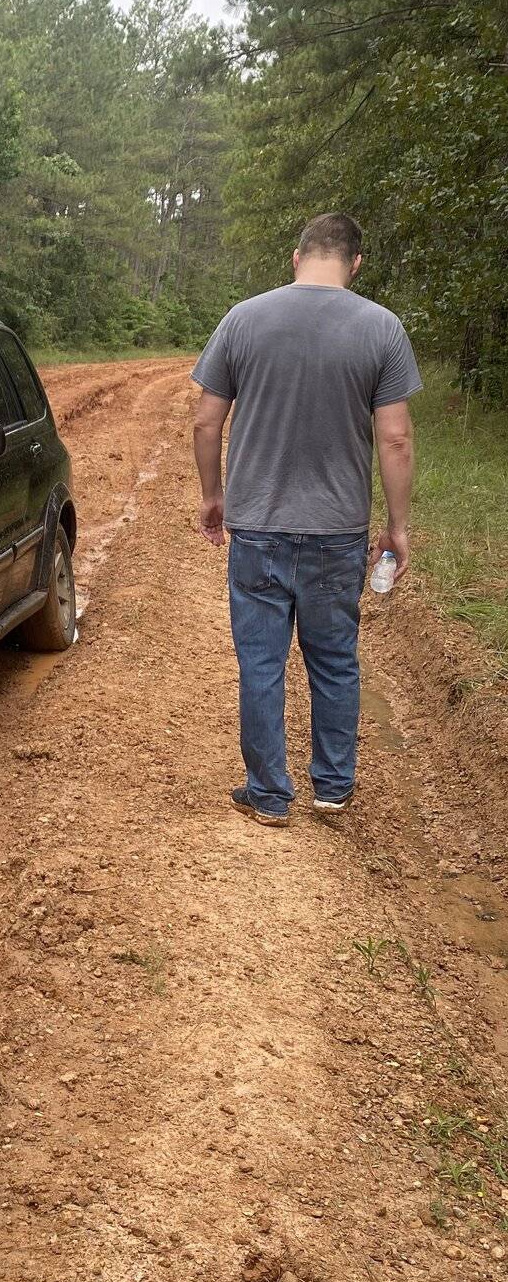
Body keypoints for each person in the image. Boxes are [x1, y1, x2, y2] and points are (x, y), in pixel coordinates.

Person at [192, 212, 419, 827]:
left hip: (258, 523)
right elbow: (394, 440)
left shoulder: (243, 319)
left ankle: (268, 793)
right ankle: (333, 786)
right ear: (356, 264)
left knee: (261, 663)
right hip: (338, 531)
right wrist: (397, 528)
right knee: (335, 659)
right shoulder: (383, 328)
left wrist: (214, 496)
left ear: (297, 258)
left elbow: (207, 420)